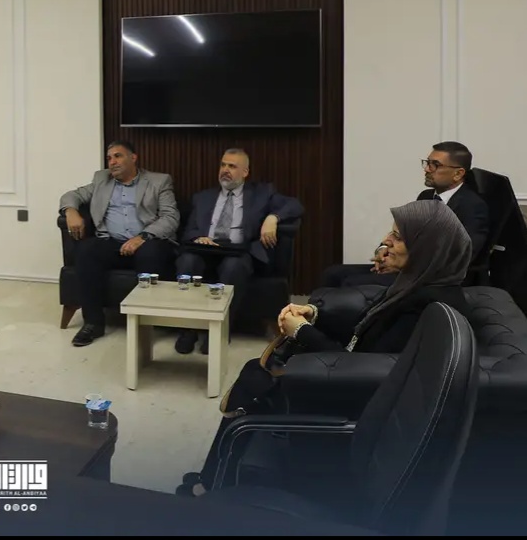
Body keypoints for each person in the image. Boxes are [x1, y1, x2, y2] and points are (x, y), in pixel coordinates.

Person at [176, 199, 471, 497]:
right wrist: (314, 314)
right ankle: (213, 477)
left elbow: (359, 367)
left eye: (397, 236)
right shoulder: (419, 283)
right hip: (355, 384)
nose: (386, 240)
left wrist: (302, 332)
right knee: (257, 372)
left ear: (426, 248)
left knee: (256, 377)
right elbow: (369, 324)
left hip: (349, 401)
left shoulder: (425, 305)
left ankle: (211, 484)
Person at [172, 149, 303, 355]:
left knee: (233, 267)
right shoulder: (203, 197)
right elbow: (189, 230)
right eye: (223, 165)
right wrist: (199, 238)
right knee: (187, 262)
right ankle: (188, 329)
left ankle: (220, 330)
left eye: (232, 166)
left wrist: (273, 218)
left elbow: (295, 205)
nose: (225, 170)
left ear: (245, 172)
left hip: (239, 251)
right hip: (206, 250)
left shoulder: (261, 194)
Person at [59, 140, 180, 347]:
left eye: (118, 156)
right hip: (112, 243)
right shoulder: (101, 180)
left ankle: (145, 321)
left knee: (150, 254)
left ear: (133, 158)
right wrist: (70, 211)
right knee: (86, 250)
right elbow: (71, 195)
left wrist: (141, 238)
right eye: (109, 158)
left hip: (146, 242)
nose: (112, 162)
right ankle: (93, 323)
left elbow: (171, 217)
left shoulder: (158, 181)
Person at [321, 141, 489, 288]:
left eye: (435, 165)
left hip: (436, 280)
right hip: (409, 269)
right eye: (427, 163)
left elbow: (460, 256)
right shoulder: (425, 196)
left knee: (351, 283)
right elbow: (400, 234)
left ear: (458, 174)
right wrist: (384, 250)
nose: (427, 169)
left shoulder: (472, 206)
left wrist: (402, 264)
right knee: (333, 274)